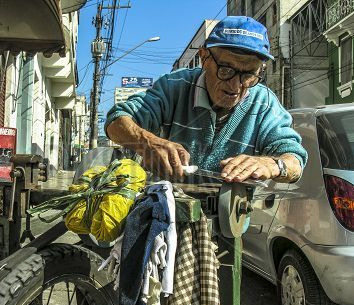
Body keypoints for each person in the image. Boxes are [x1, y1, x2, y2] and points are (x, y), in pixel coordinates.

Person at [105, 16, 307, 183]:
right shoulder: (174, 86)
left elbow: (294, 160)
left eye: (249, 75)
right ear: (204, 58)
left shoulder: (265, 104)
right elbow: (116, 121)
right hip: (163, 215)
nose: (236, 86)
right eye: (226, 70)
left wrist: (274, 164)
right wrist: (148, 142)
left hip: (229, 223)